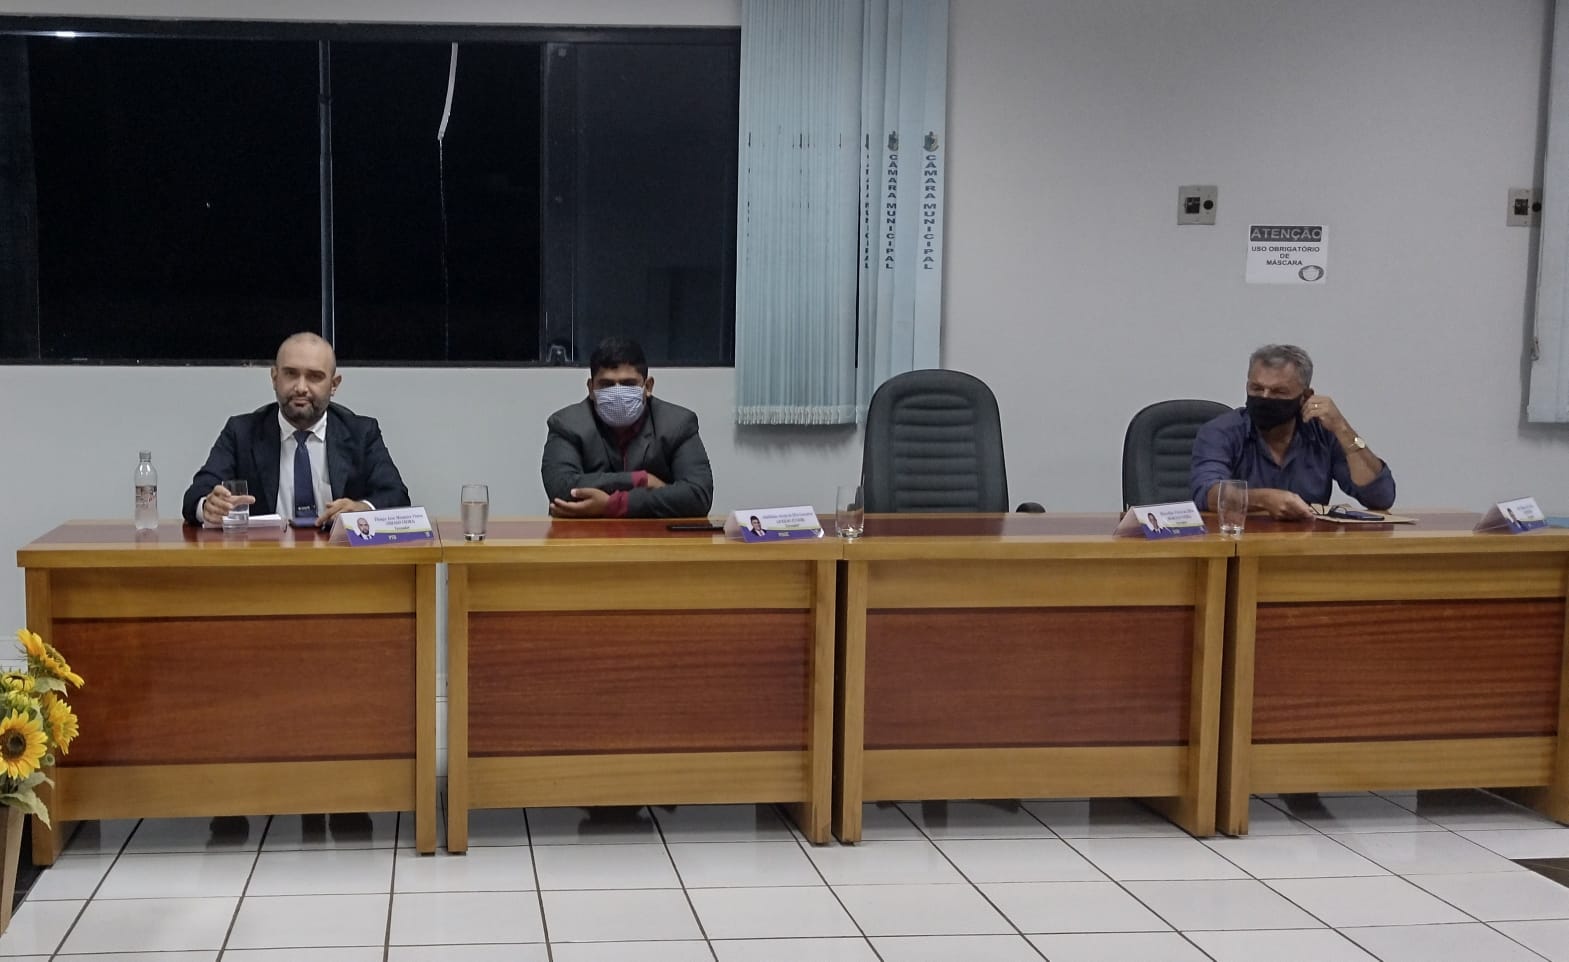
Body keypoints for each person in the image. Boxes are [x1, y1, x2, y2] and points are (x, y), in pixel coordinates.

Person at [182, 332, 411, 526]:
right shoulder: (242, 432)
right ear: (274, 378)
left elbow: (396, 496)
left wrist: (363, 509)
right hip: (265, 558)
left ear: (334, 385)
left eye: (315, 377)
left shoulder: (361, 432)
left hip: (340, 557)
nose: (301, 387)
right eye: (291, 374)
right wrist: (208, 506)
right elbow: (195, 496)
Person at [1190, 344, 1394, 520]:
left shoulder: (1323, 432)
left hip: (1307, 545)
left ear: (1305, 396)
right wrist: (1264, 499)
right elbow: (1208, 494)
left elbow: (1380, 497)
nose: (1265, 398)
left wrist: (1343, 429)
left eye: (1278, 392)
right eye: (1257, 389)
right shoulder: (1221, 431)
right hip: (1240, 544)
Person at [542, 336, 714, 518]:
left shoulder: (677, 423)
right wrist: (641, 479)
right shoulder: (567, 424)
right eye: (606, 385)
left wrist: (614, 505)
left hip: (653, 534)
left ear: (648, 386)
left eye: (628, 384)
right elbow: (561, 488)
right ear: (591, 388)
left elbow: (698, 496)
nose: (617, 392)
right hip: (582, 533)